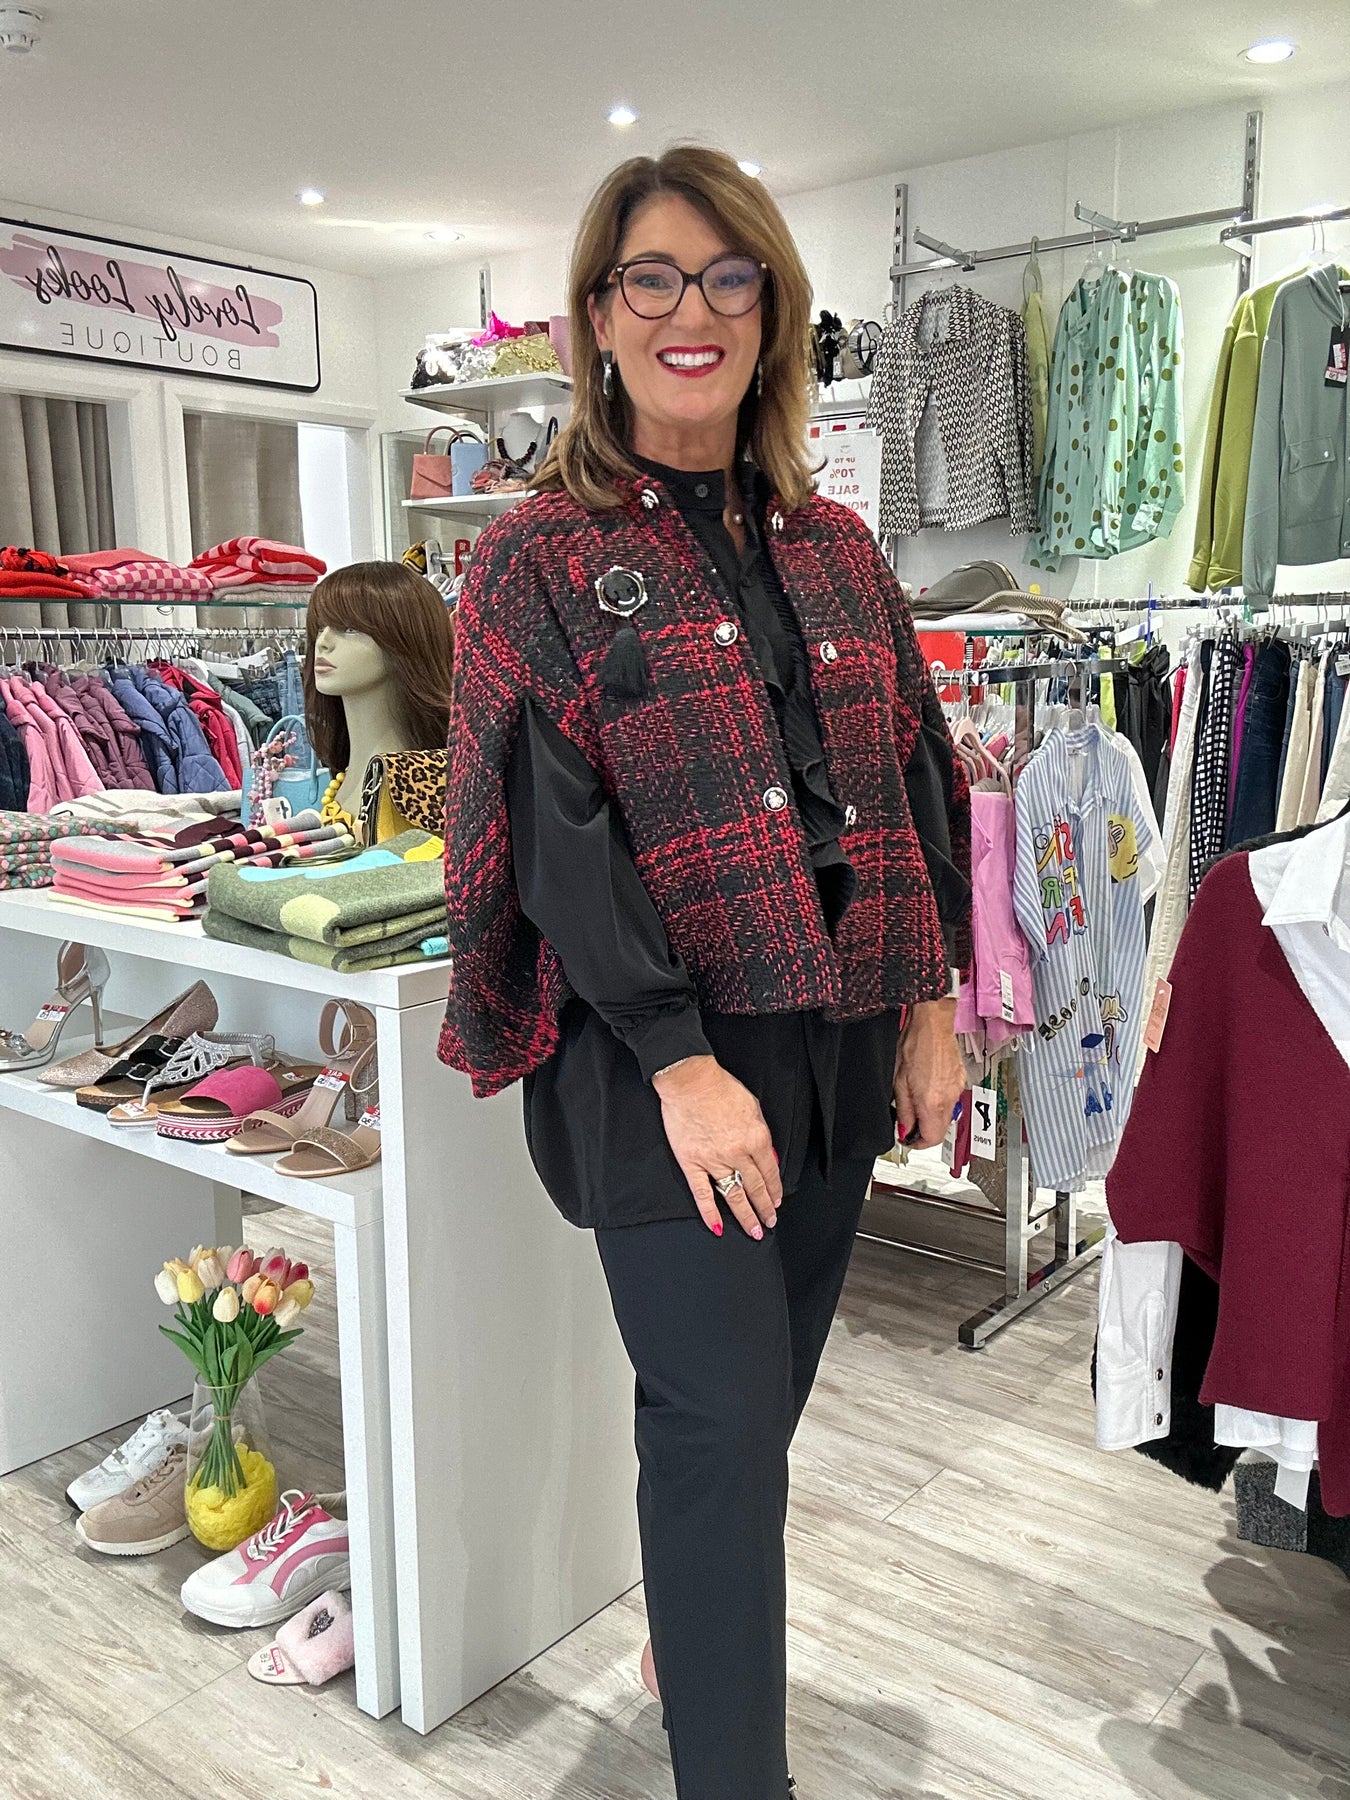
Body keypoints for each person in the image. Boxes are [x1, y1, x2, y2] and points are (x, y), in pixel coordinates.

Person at [440, 145, 971, 1800]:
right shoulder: (538, 557)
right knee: (721, 1422)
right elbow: (551, 835)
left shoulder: (836, 547)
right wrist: (679, 1060)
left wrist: (934, 1006)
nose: (693, 310)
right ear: (598, 318)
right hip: (655, 1056)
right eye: (652, 278)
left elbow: (912, 775)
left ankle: (689, 1626)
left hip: (835, 1032)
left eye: (729, 276)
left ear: (772, 312)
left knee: (758, 1401)